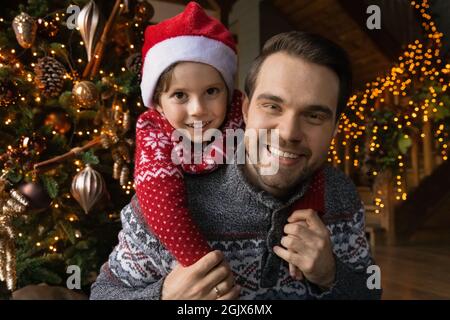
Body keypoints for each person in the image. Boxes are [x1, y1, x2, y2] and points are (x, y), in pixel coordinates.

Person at [90, 31, 382, 300]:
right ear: (244, 108)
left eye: (314, 116)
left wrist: (331, 275)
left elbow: (371, 291)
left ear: (334, 128)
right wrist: (165, 296)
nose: (289, 133)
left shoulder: (341, 194)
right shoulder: (167, 203)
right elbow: (102, 294)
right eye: (272, 106)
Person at [134, 2, 243, 267]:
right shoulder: (154, 133)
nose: (197, 110)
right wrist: (202, 265)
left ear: (228, 93)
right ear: (158, 103)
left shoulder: (246, 119)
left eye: (211, 91)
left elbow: (292, 166)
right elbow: (162, 205)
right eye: (180, 95)